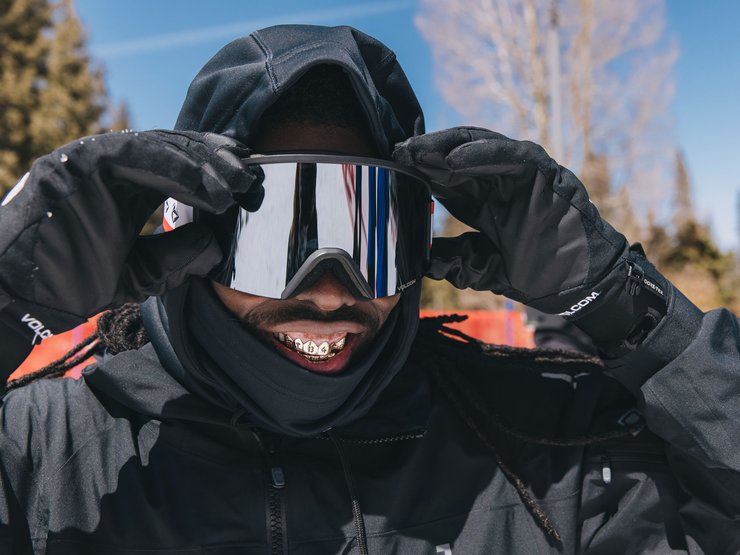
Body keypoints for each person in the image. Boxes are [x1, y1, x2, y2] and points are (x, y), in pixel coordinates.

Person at [0, 23, 738, 555]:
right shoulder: (48, 456)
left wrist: (629, 311)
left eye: (370, 238)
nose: (329, 292)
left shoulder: (545, 445)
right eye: (278, 236)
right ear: (189, 236)